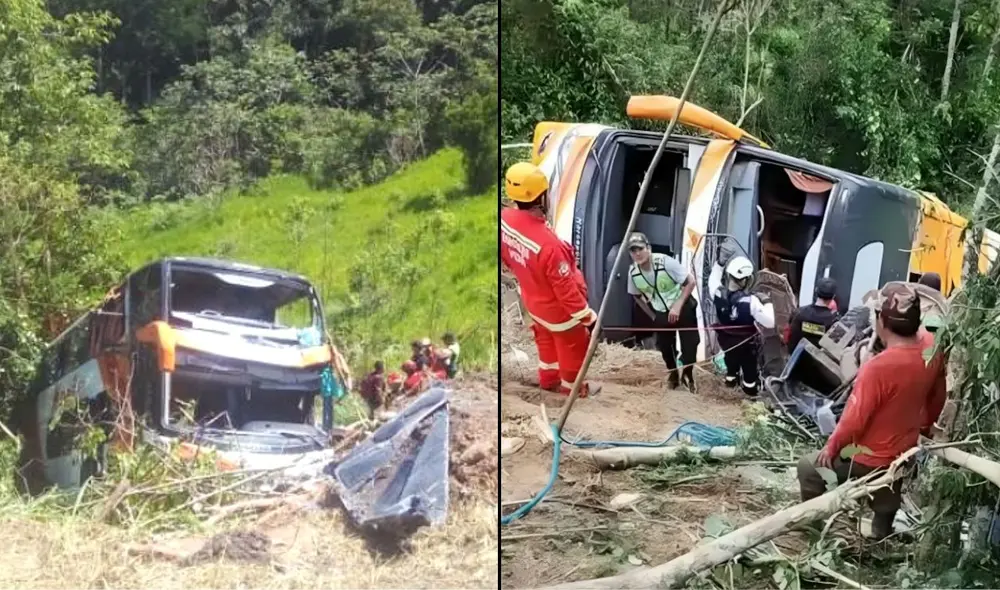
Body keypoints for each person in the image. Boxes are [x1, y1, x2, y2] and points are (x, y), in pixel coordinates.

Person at [796, 284, 947, 540]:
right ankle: (882, 533)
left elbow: (853, 421)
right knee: (888, 490)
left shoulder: (878, 368)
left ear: (882, 320)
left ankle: (812, 531)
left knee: (808, 468)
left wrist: (831, 448)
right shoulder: (932, 346)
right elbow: (938, 396)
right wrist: (924, 426)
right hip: (903, 451)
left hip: (867, 457)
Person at [500, 162, 601, 397]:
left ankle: (548, 380)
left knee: (545, 340)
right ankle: (573, 389)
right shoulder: (549, 246)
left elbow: (507, 257)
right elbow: (565, 290)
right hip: (559, 311)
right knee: (572, 346)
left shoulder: (505, 220)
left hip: (533, 302)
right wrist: (589, 318)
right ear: (541, 196)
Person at [625, 232, 700, 392]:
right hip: (660, 311)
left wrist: (678, 305)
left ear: (648, 248)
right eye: (633, 250)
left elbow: (691, 281)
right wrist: (652, 315)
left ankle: (688, 374)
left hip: (683, 306)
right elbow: (636, 296)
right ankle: (673, 374)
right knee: (665, 348)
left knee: (691, 345)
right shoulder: (633, 273)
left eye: (640, 248)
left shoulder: (665, 262)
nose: (637, 253)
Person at [709, 255, 775, 397]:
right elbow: (770, 322)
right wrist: (767, 301)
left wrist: (719, 265)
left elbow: (712, 280)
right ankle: (749, 391)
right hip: (746, 346)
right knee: (749, 370)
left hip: (727, 343)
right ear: (745, 280)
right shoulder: (752, 302)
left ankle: (731, 382)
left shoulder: (717, 292)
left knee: (730, 364)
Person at [786, 277, 840, 352]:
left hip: (795, 360)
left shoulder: (799, 313)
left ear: (816, 290)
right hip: (818, 362)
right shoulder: (834, 322)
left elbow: (789, 337)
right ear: (833, 296)